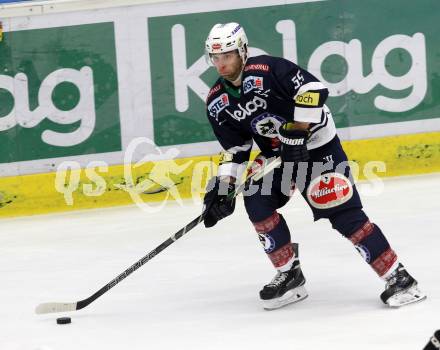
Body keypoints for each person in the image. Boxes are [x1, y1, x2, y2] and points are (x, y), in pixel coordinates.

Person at [202, 22, 426, 310]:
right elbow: (236, 148)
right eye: (215, 58)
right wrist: (223, 187)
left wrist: (298, 130)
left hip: (318, 147)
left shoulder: (268, 70)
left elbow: (313, 89)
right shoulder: (217, 101)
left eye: (228, 56)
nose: (221, 64)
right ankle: (289, 274)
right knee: (257, 202)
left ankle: (400, 277)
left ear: (243, 51)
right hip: (277, 157)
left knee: (343, 214)